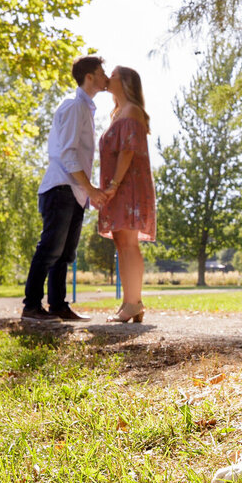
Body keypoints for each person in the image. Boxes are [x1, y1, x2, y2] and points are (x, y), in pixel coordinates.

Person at [21, 55, 110, 321]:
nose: (107, 78)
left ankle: (58, 306)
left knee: (65, 254)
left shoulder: (86, 108)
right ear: (90, 77)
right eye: (102, 72)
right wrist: (91, 189)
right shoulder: (74, 106)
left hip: (73, 192)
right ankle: (31, 307)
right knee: (50, 249)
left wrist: (86, 192)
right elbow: (69, 154)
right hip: (61, 187)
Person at [97, 65, 156, 323]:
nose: (109, 78)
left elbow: (128, 151)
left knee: (129, 244)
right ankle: (131, 302)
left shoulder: (131, 111)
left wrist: (113, 185)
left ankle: (133, 303)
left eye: (114, 75)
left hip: (127, 186)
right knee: (122, 244)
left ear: (126, 83)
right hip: (120, 186)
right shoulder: (119, 113)